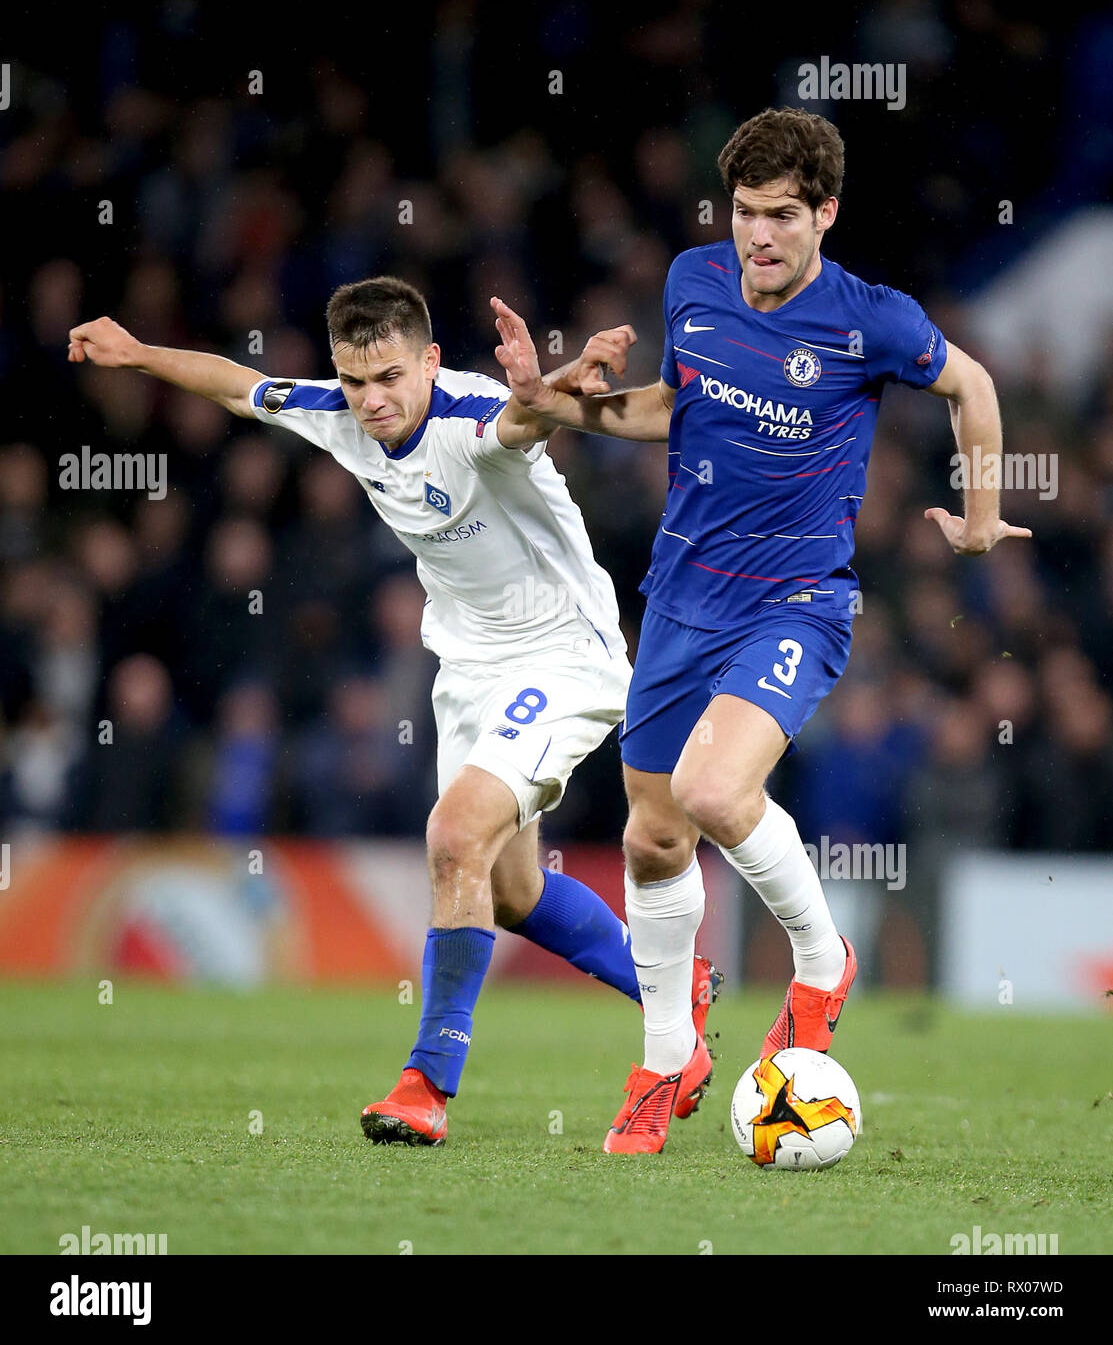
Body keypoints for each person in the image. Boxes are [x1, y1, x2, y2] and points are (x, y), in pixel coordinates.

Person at [68, 276, 721, 1149]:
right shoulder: (339, 412)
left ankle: (426, 1084)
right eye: (353, 381)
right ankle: (676, 988)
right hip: (468, 668)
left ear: (429, 362)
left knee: (453, 835)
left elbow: (523, 423)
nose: (371, 401)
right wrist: (140, 352)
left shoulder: (468, 416)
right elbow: (234, 383)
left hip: (563, 655)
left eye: (388, 378)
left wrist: (558, 384)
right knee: (513, 891)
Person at [490, 106, 1031, 1154]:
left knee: (712, 791)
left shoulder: (868, 318)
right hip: (681, 600)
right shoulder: (691, 284)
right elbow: (670, 407)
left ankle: (823, 963)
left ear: (825, 214)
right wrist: (555, 403)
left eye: (782, 215)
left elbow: (973, 382)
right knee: (652, 838)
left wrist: (976, 512)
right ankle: (665, 1059)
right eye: (745, 213)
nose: (759, 236)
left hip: (796, 602)